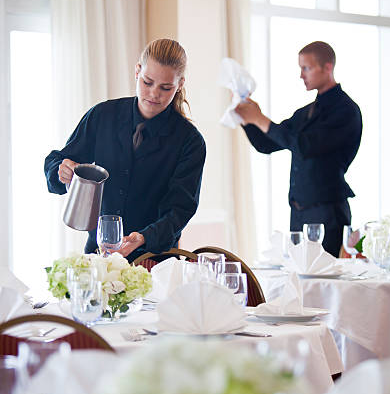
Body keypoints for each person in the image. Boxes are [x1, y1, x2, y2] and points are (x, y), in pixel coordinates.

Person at [44, 38, 206, 262]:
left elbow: (180, 210)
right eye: (148, 82)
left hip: (154, 260)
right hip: (99, 256)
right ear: (137, 71)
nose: (154, 94)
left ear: (179, 84)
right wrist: (60, 170)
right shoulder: (102, 116)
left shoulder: (190, 141)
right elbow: (59, 159)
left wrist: (144, 237)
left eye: (165, 88)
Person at [235, 41, 362, 257]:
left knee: (323, 281)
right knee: (302, 282)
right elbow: (266, 144)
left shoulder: (346, 110)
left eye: (307, 68)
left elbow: (304, 146)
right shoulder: (305, 113)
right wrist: (247, 118)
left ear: (328, 67)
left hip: (327, 211)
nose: (301, 75)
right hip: (298, 212)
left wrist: (261, 118)